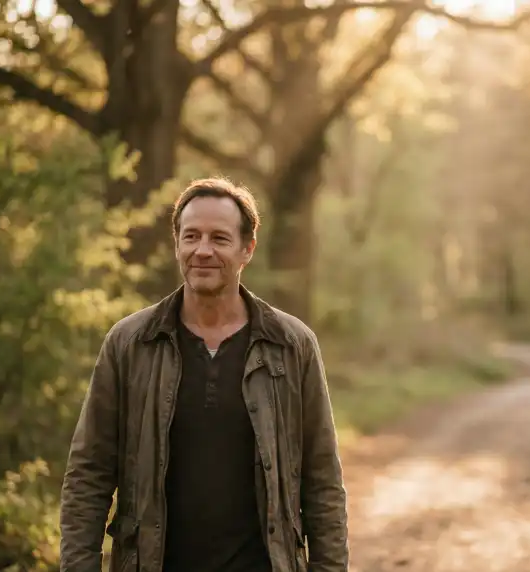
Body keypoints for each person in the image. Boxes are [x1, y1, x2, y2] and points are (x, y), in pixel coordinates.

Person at [59, 177, 348, 572]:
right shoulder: (130, 344)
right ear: (177, 243)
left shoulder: (291, 345)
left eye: (219, 238)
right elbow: (88, 474)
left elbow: (322, 481)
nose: (203, 250)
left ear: (247, 249)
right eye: (191, 236)